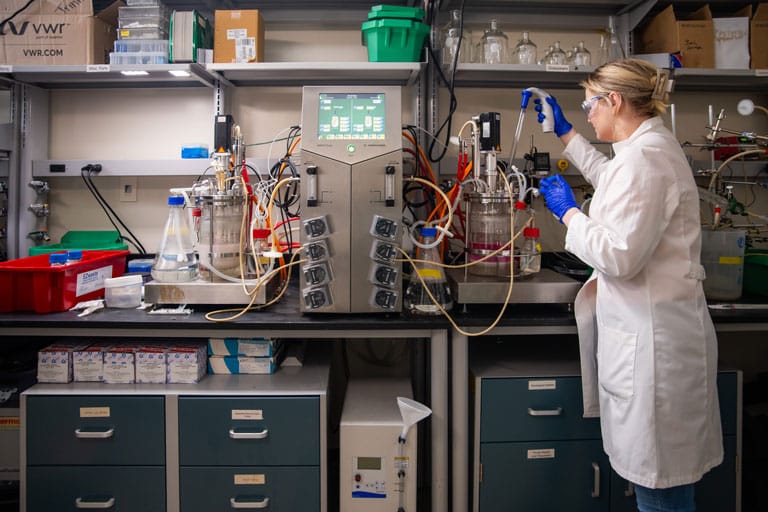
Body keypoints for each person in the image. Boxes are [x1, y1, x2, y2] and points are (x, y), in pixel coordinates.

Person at [534, 58, 722, 512]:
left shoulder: (647, 158)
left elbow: (619, 256)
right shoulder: (645, 150)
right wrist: (566, 134)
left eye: (588, 105)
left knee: (661, 492)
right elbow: (612, 178)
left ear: (613, 100)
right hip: (651, 337)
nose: (587, 114)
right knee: (661, 487)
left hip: (655, 350)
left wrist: (568, 213)